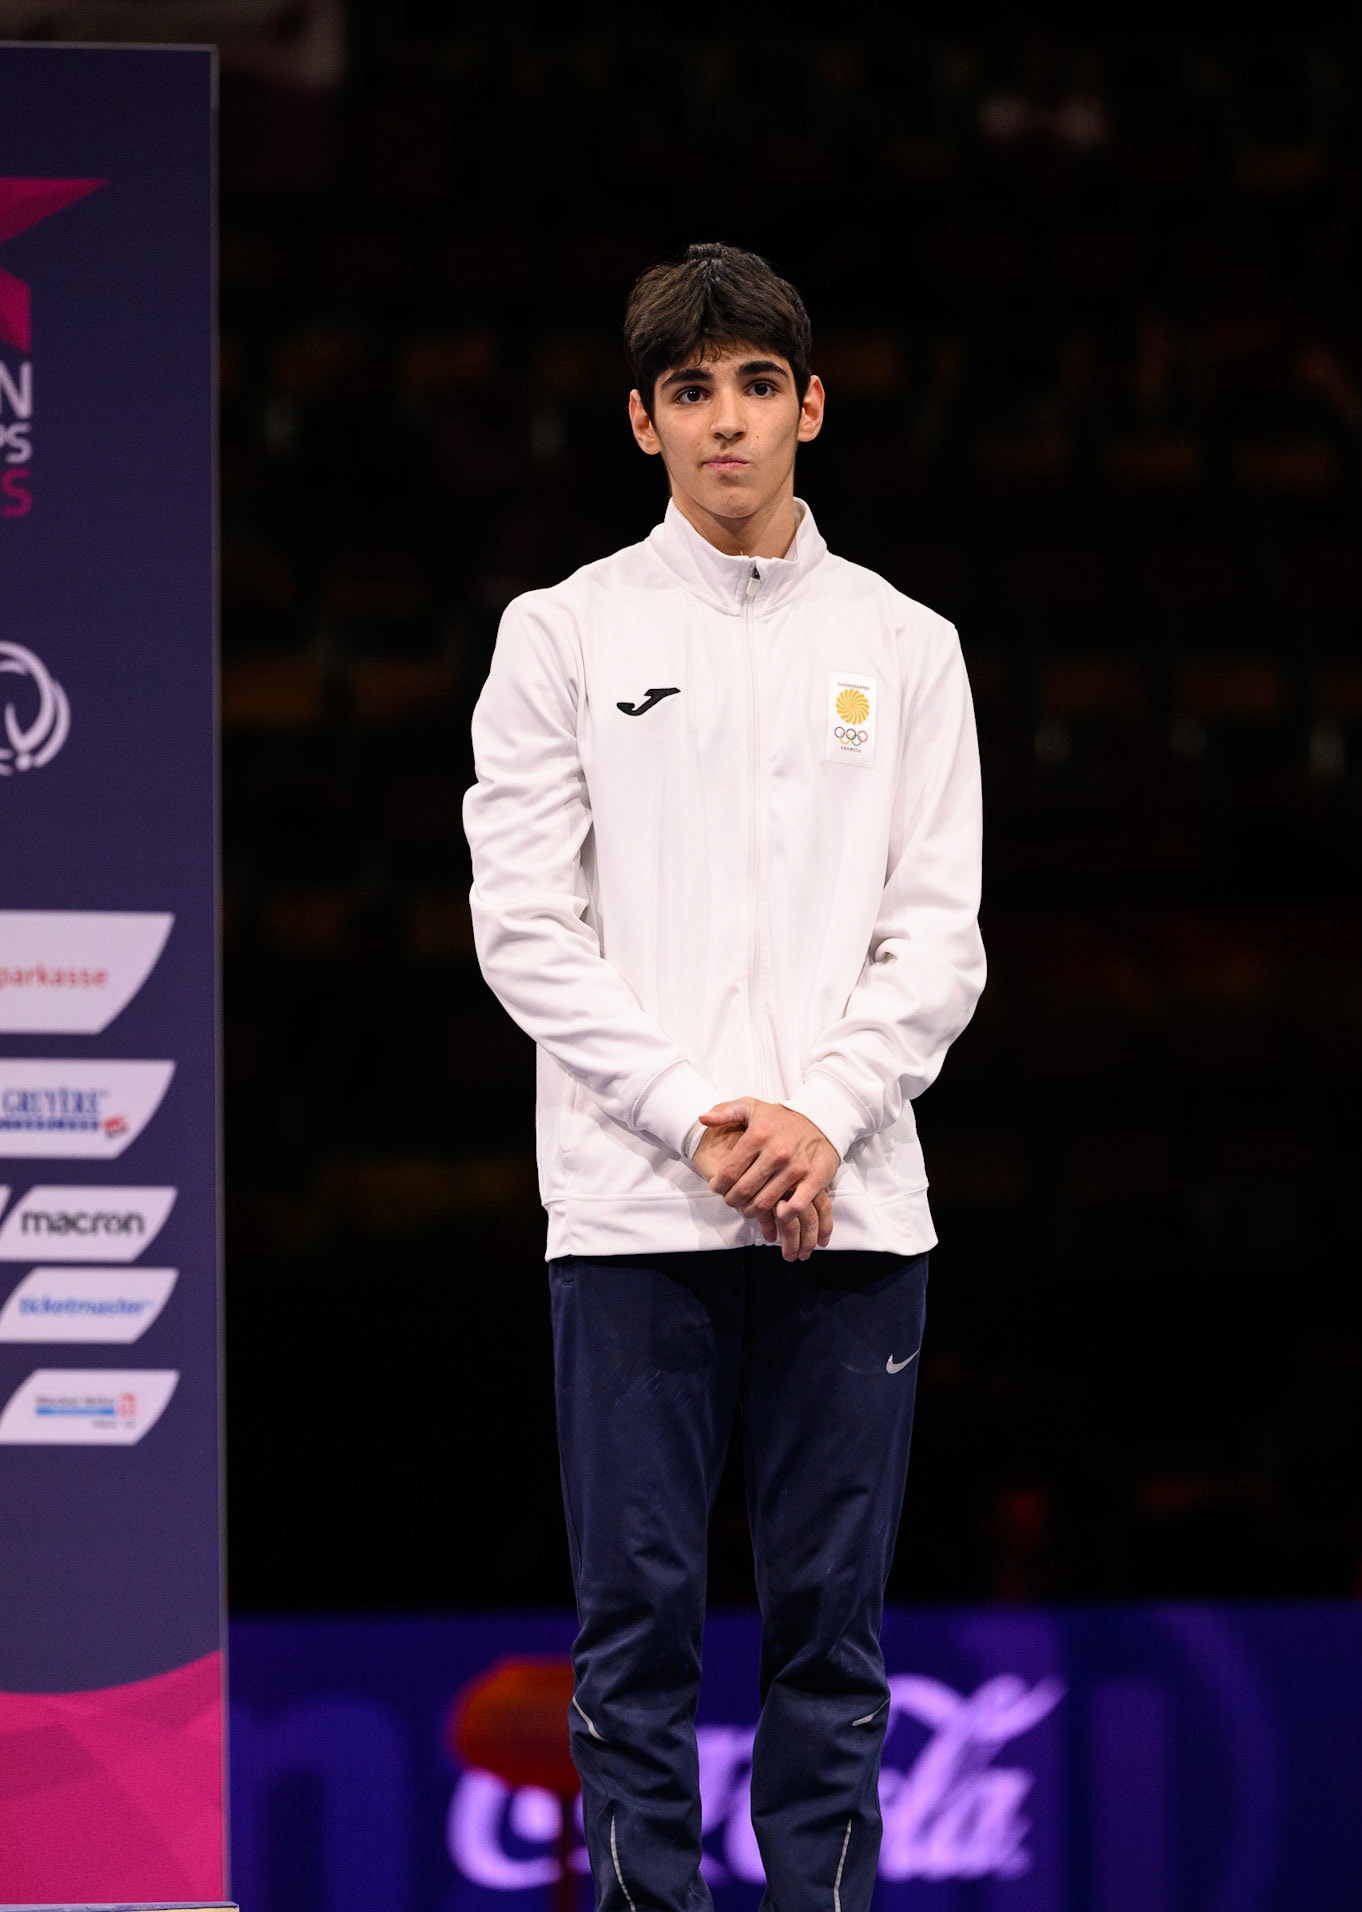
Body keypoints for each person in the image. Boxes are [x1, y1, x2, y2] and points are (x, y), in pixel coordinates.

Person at [463, 242, 985, 1912]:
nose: (727, 422)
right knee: (636, 1639)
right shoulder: (560, 633)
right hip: (630, 1212)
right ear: (641, 422)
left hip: (855, 1206)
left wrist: (817, 1117)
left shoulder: (906, 645)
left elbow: (940, 938)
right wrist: (704, 1119)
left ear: (809, 405)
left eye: (758, 384)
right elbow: (525, 934)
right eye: (691, 391)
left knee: (831, 1639)